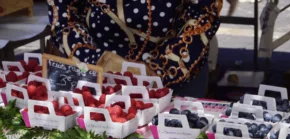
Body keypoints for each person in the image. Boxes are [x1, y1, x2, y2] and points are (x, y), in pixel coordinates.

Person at [45, 0, 221, 94]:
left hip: (174, 74)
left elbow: (203, 13)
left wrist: (160, 69)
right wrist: (91, 59)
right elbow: (64, 15)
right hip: (96, 75)